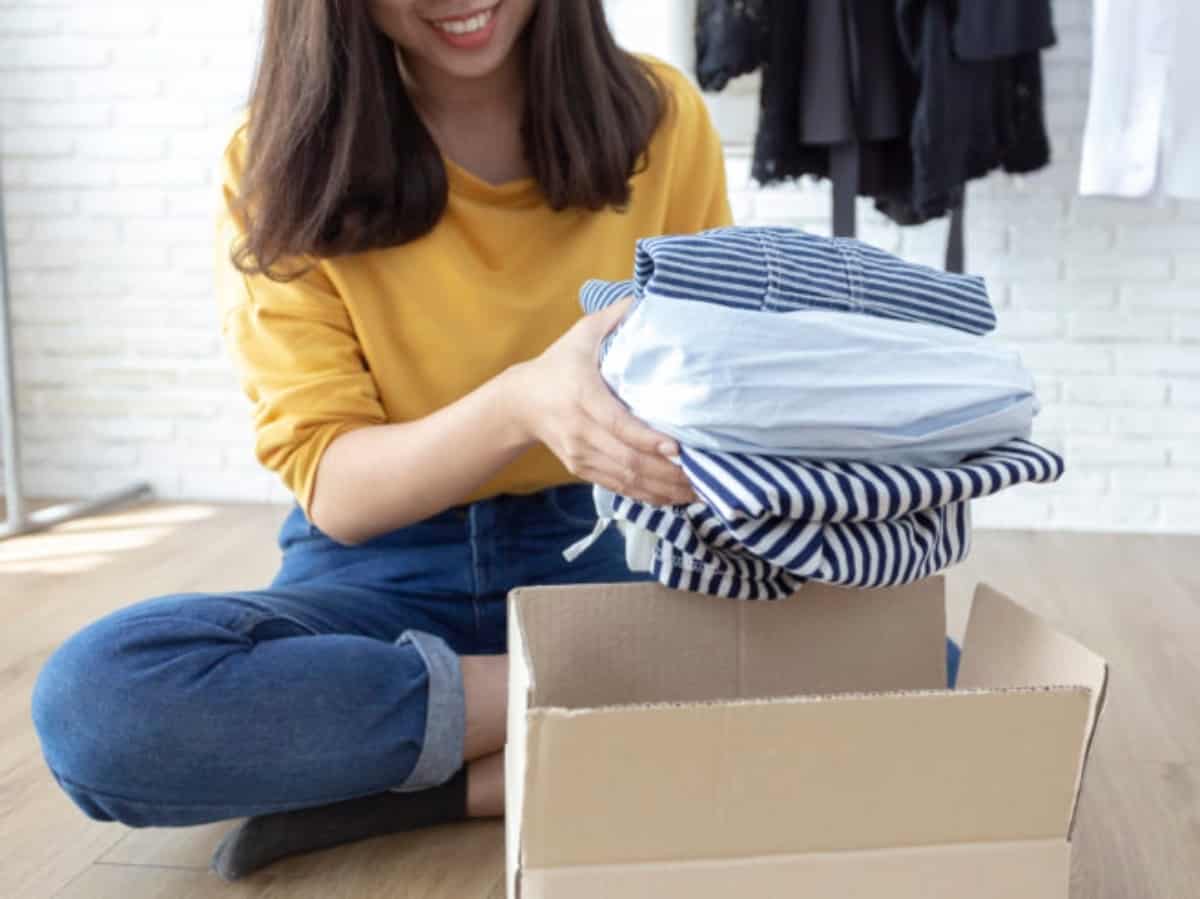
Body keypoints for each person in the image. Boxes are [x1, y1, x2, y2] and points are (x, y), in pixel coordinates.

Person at [30, 0, 731, 882]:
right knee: (99, 707)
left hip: (603, 542)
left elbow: (715, 388)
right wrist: (521, 405)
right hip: (381, 576)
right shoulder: (277, 160)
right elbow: (337, 485)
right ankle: (597, 713)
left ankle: (432, 778)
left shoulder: (662, 118)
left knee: (911, 662)